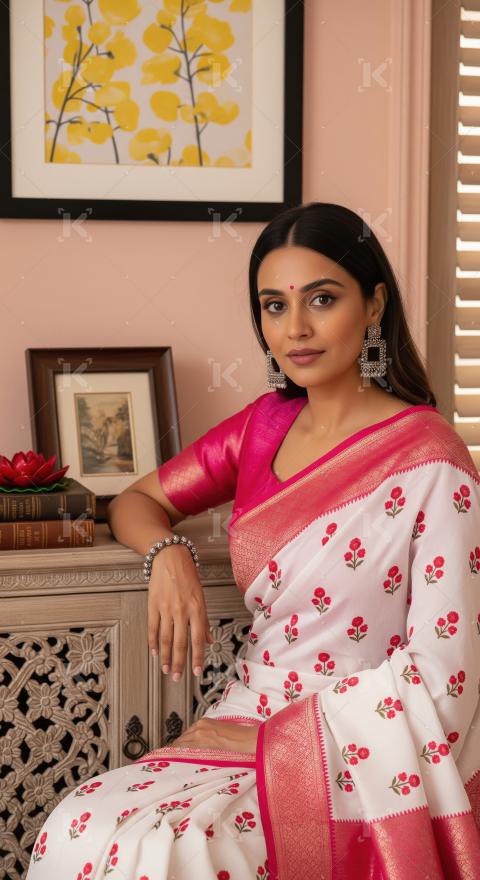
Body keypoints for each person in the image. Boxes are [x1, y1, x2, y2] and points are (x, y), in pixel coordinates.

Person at [26, 202, 480, 879]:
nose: (294, 328)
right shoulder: (262, 428)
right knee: (79, 824)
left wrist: (273, 742)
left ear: (374, 303)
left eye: (321, 299)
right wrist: (167, 553)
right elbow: (135, 501)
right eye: (273, 305)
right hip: (243, 707)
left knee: (180, 852)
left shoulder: (430, 458)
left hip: (354, 746)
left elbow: (446, 672)